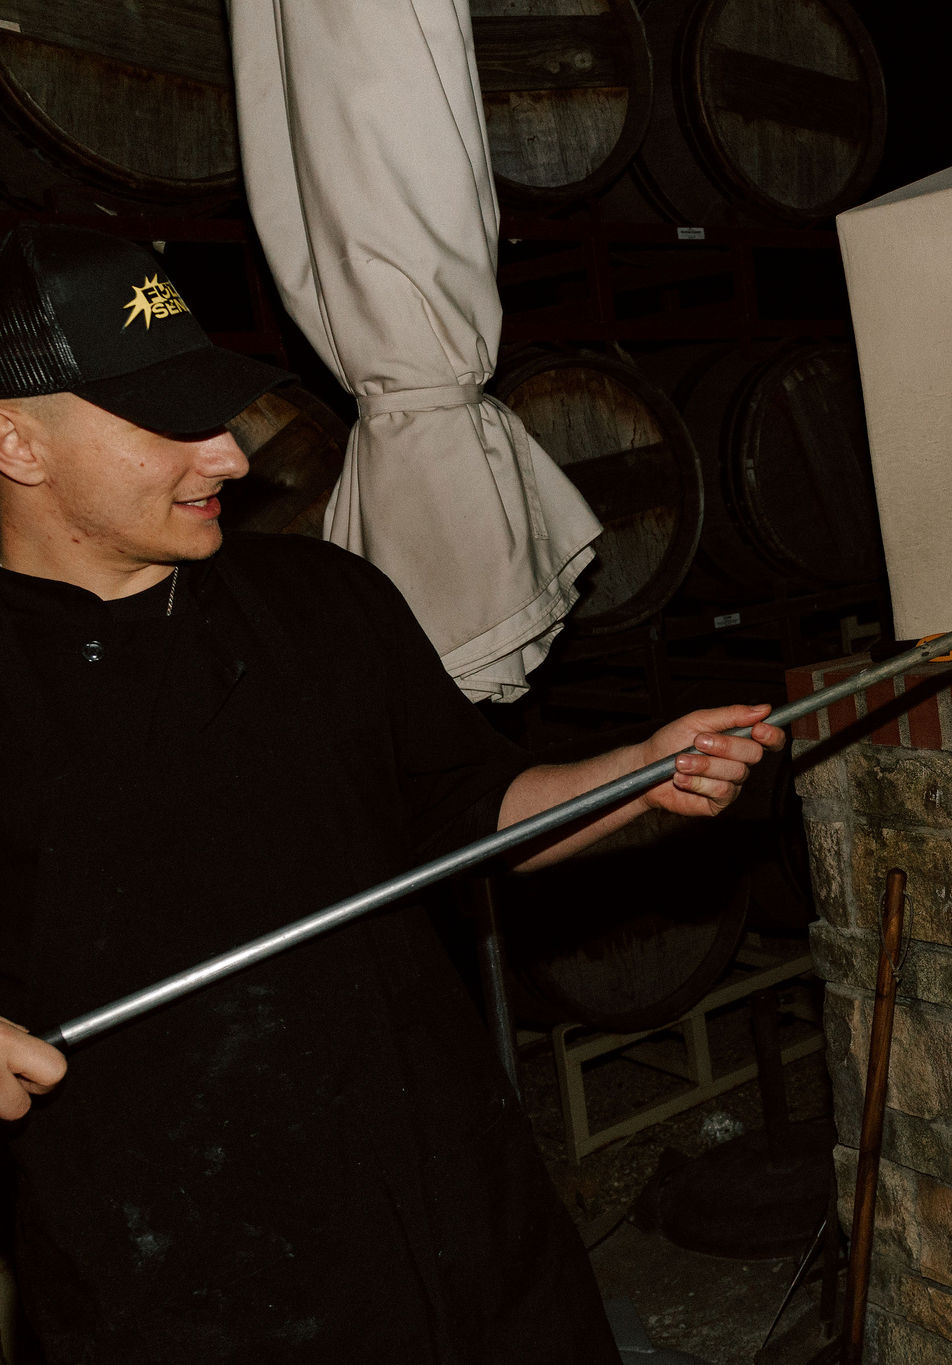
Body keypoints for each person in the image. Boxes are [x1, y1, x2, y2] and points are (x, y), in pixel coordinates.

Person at [0, 223, 784, 1362]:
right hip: (178, 1272)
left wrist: (636, 779)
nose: (227, 456)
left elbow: (467, 811)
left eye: (219, 411)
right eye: (170, 423)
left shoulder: (323, 598)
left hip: (457, 1206)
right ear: (16, 441)